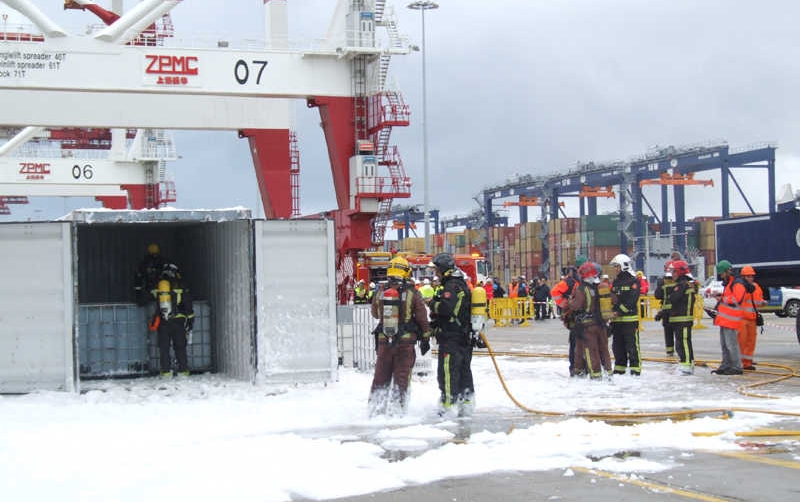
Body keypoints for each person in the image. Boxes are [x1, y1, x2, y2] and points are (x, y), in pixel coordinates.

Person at [368, 256, 431, 416]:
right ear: (406, 272)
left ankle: (375, 410)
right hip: (405, 344)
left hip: (384, 342)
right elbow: (422, 317)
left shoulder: (380, 291)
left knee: (380, 378)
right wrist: (425, 337)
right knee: (401, 378)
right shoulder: (412, 293)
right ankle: (398, 412)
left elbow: (375, 314)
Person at [428, 252, 473, 416]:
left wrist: (431, 304)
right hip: (462, 337)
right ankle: (466, 404)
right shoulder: (460, 284)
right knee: (463, 371)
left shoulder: (452, 286)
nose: (436, 274)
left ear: (444, 270)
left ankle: (448, 406)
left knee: (448, 372)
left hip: (452, 338)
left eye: (437, 270)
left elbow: (446, 309)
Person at [567, 262, 612, 379]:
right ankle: (608, 371)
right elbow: (613, 300)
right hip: (601, 324)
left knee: (590, 350)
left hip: (587, 325)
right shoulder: (601, 287)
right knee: (603, 349)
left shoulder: (582, 289)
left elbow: (576, 306)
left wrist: (569, 301)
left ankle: (594, 374)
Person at [151, 263, 194, 377]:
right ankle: (183, 370)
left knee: (164, 348)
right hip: (178, 321)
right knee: (180, 346)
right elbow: (188, 304)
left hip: (163, 321)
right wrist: (190, 320)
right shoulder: (181, 284)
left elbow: (150, 297)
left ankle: (165, 372)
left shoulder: (159, 284)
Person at [711, 260, 747, 375]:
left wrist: (722, 299)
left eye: (722, 274)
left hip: (731, 320)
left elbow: (737, 300)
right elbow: (730, 298)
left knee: (731, 345)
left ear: (727, 271)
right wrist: (721, 297)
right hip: (725, 320)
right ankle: (726, 365)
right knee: (725, 345)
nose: (721, 276)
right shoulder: (730, 283)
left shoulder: (737, 283)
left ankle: (736, 367)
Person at [609, 253, 641, 375]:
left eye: (617, 266)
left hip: (630, 320)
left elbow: (632, 300)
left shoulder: (634, 281)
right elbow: (613, 299)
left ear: (624, 266)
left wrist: (619, 311)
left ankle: (635, 369)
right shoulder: (616, 282)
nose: (616, 269)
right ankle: (620, 368)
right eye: (615, 267)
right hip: (617, 321)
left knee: (632, 346)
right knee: (617, 346)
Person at [665, 260, 697, 375]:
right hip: (680, 319)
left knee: (683, 343)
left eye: (674, 271)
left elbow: (673, 298)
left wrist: (670, 294)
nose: (672, 274)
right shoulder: (684, 284)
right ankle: (686, 363)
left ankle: (687, 364)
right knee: (681, 343)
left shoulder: (682, 285)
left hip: (683, 319)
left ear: (679, 272)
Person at [737, 265, 764, 371]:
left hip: (752, 319)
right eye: (748, 276)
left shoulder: (756, 287)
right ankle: (739, 363)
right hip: (742, 319)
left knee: (751, 342)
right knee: (742, 342)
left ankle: (747, 363)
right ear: (743, 277)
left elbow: (758, 301)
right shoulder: (740, 287)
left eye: (752, 276)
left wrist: (762, 303)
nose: (750, 278)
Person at [654, 261, 677, 357]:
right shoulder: (678, 281)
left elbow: (657, 295)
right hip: (677, 311)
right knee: (678, 333)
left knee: (668, 333)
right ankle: (681, 351)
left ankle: (670, 352)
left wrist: (659, 286)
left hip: (666, 312)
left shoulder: (662, 282)